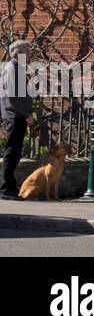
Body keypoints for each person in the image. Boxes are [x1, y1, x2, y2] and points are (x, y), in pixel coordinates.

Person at [0, 40, 33, 200]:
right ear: (18, 53)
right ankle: (6, 189)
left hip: (18, 115)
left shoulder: (17, 68)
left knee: (15, 152)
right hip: (15, 116)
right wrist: (26, 114)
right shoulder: (12, 69)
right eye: (27, 51)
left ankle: (10, 187)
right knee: (11, 152)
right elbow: (12, 98)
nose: (30, 54)